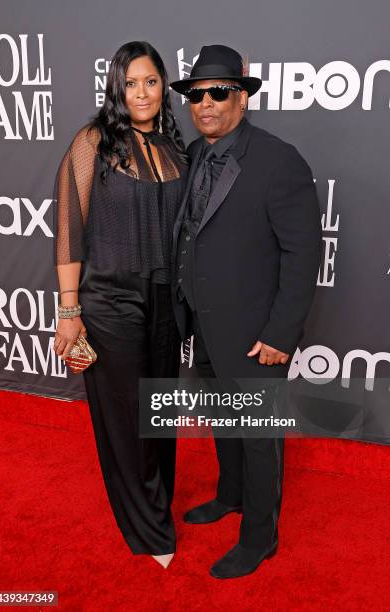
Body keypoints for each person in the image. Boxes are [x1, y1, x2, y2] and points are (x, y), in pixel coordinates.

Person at [170, 44, 322, 578]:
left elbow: (305, 253)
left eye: (219, 92)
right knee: (224, 424)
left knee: (258, 437)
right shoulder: (191, 155)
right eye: (196, 95)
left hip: (258, 333)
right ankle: (229, 496)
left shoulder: (279, 159)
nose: (205, 104)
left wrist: (283, 332)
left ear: (242, 95)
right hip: (204, 324)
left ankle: (260, 538)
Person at [52, 41, 188, 569]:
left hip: (165, 301)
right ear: (116, 87)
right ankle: (147, 527)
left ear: (163, 86)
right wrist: (69, 311)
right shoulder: (94, 142)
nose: (141, 92)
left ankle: (159, 502)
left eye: (151, 81)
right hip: (109, 300)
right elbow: (69, 230)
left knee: (160, 413)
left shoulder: (178, 147)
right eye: (130, 83)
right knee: (127, 417)